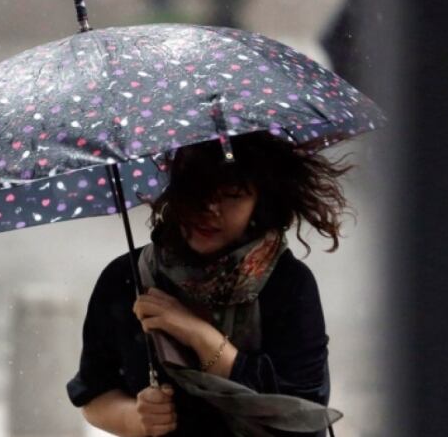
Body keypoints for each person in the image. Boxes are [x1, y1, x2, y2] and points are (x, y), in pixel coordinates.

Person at [68, 132, 350, 436]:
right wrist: (135, 418)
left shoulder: (288, 283)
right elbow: (94, 392)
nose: (211, 209)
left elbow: (302, 409)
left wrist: (202, 338)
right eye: (197, 189)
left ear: (261, 201)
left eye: (233, 194)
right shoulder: (127, 278)